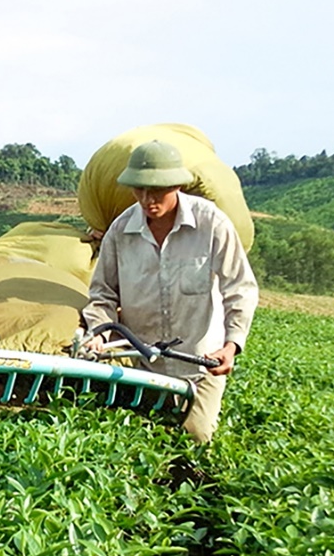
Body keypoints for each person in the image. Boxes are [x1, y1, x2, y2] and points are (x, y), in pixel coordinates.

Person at [81, 139, 258, 444]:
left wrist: (231, 346)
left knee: (196, 435)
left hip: (201, 364)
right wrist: (99, 333)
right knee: (142, 440)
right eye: (140, 190)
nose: (148, 199)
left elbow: (239, 288)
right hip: (143, 363)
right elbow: (103, 294)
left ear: (177, 185)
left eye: (158, 191)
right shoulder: (120, 232)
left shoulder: (211, 224)